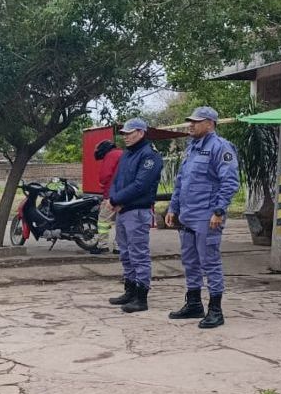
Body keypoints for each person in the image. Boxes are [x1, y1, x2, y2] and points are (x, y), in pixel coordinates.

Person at [165, 106, 239, 329]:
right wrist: (172, 208)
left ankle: (215, 310)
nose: (191, 125)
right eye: (191, 121)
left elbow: (230, 182)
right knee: (190, 261)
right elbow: (181, 182)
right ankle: (194, 303)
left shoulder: (220, 148)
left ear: (210, 123)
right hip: (187, 215)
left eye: (196, 122)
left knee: (210, 262)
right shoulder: (191, 149)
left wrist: (219, 211)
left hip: (207, 216)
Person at [107, 118, 163, 313]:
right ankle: (129, 290)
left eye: (129, 133)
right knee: (125, 253)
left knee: (139, 254)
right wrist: (113, 198)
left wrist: (117, 200)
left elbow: (141, 185)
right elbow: (117, 178)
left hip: (137, 211)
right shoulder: (127, 154)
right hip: (123, 210)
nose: (125, 137)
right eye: (123, 134)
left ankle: (141, 296)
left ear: (140, 132)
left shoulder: (149, 155)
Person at [91, 139, 123, 255]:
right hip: (125, 194)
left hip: (112, 194)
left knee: (103, 220)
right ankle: (119, 246)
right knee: (120, 221)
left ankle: (102, 246)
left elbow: (105, 175)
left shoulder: (111, 155)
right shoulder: (122, 153)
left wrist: (102, 184)